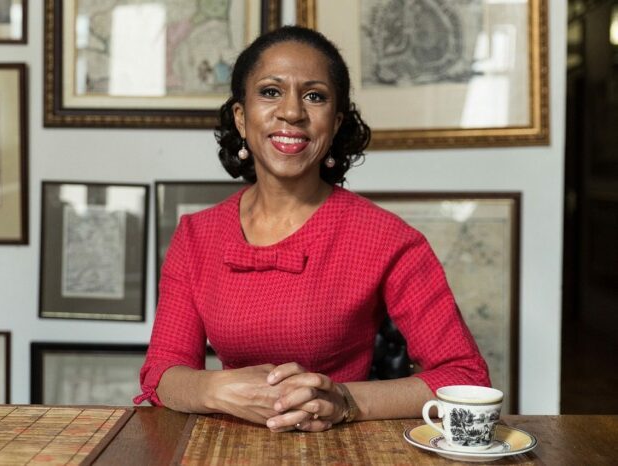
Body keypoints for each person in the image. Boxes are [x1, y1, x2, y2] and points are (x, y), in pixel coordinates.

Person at [135, 26, 490, 433]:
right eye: (270, 91)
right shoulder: (196, 236)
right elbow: (161, 372)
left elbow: (466, 376)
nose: (291, 112)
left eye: (314, 96)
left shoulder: (388, 239)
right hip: (222, 447)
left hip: (341, 447)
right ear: (241, 117)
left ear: (335, 123)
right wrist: (215, 389)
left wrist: (344, 400)